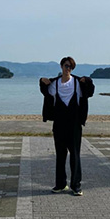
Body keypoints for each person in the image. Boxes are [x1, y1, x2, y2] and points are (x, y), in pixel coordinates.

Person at [39, 56, 95, 196]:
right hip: (59, 124)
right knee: (60, 155)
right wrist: (41, 81)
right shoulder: (55, 84)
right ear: (61, 66)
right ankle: (60, 184)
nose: (68, 68)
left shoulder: (77, 83)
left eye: (70, 66)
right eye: (66, 66)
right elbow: (45, 90)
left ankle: (76, 186)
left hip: (74, 125)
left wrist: (88, 80)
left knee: (75, 155)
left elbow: (90, 91)